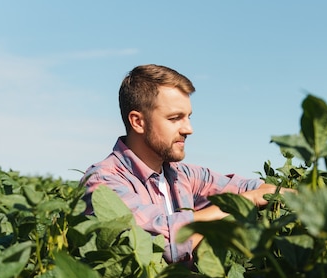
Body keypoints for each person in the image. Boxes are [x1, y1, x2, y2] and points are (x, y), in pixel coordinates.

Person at [81, 64, 280, 264]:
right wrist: (246, 202)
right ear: (138, 122)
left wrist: (290, 197)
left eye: (188, 117)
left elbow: (252, 188)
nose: (188, 129)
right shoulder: (102, 183)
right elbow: (160, 242)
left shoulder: (181, 175)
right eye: (175, 118)